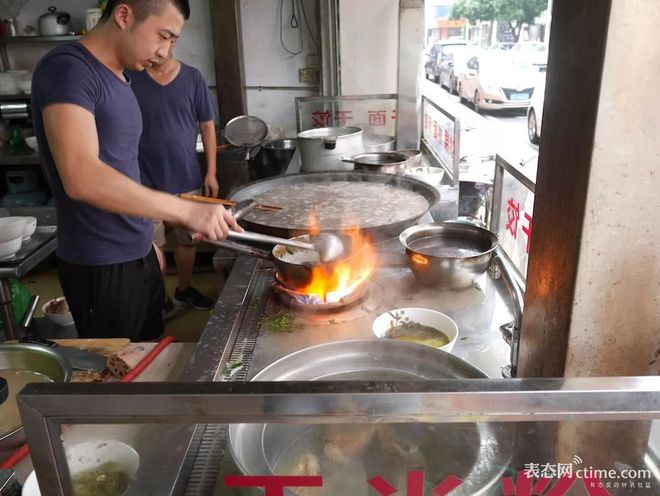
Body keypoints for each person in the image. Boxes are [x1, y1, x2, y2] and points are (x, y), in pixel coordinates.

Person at [30, 0, 240, 341]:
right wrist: (187, 210)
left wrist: (145, 241)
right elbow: (82, 177)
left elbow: (123, 166)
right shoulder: (69, 68)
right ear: (124, 15)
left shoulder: (122, 78)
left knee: (148, 354)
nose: (164, 51)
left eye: (173, 41)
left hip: (136, 252)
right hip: (100, 262)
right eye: (163, 36)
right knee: (121, 376)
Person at [130, 42, 219, 311]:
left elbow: (207, 125)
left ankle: (184, 289)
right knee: (151, 246)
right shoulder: (130, 79)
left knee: (187, 240)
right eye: (152, 40)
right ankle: (159, 298)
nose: (156, 48)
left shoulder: (192, 78)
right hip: (144, 182)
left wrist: (211, 172)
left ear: (174, 41)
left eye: (164, 39)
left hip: (186, 177)